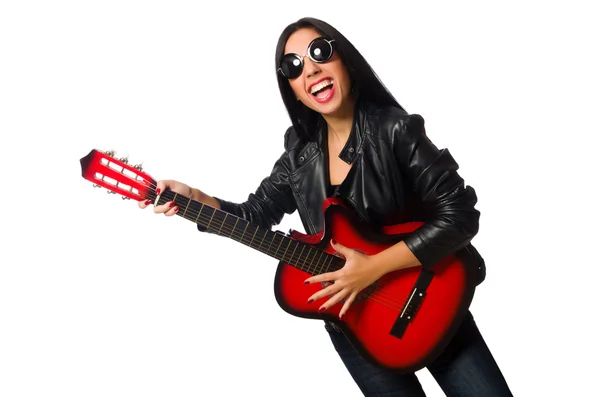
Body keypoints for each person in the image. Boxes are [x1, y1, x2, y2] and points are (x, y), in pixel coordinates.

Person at [138, 16, 513, 397]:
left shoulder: (395, 130)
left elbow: (460, 215)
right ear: (293, 90)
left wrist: (372, 269)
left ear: (345, 60)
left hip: (430, 302)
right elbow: (255, 215)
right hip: (354, 329)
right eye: (293, 66)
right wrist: (194, 197)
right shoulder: (298, 155)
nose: (310, 69)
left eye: (320, 52)